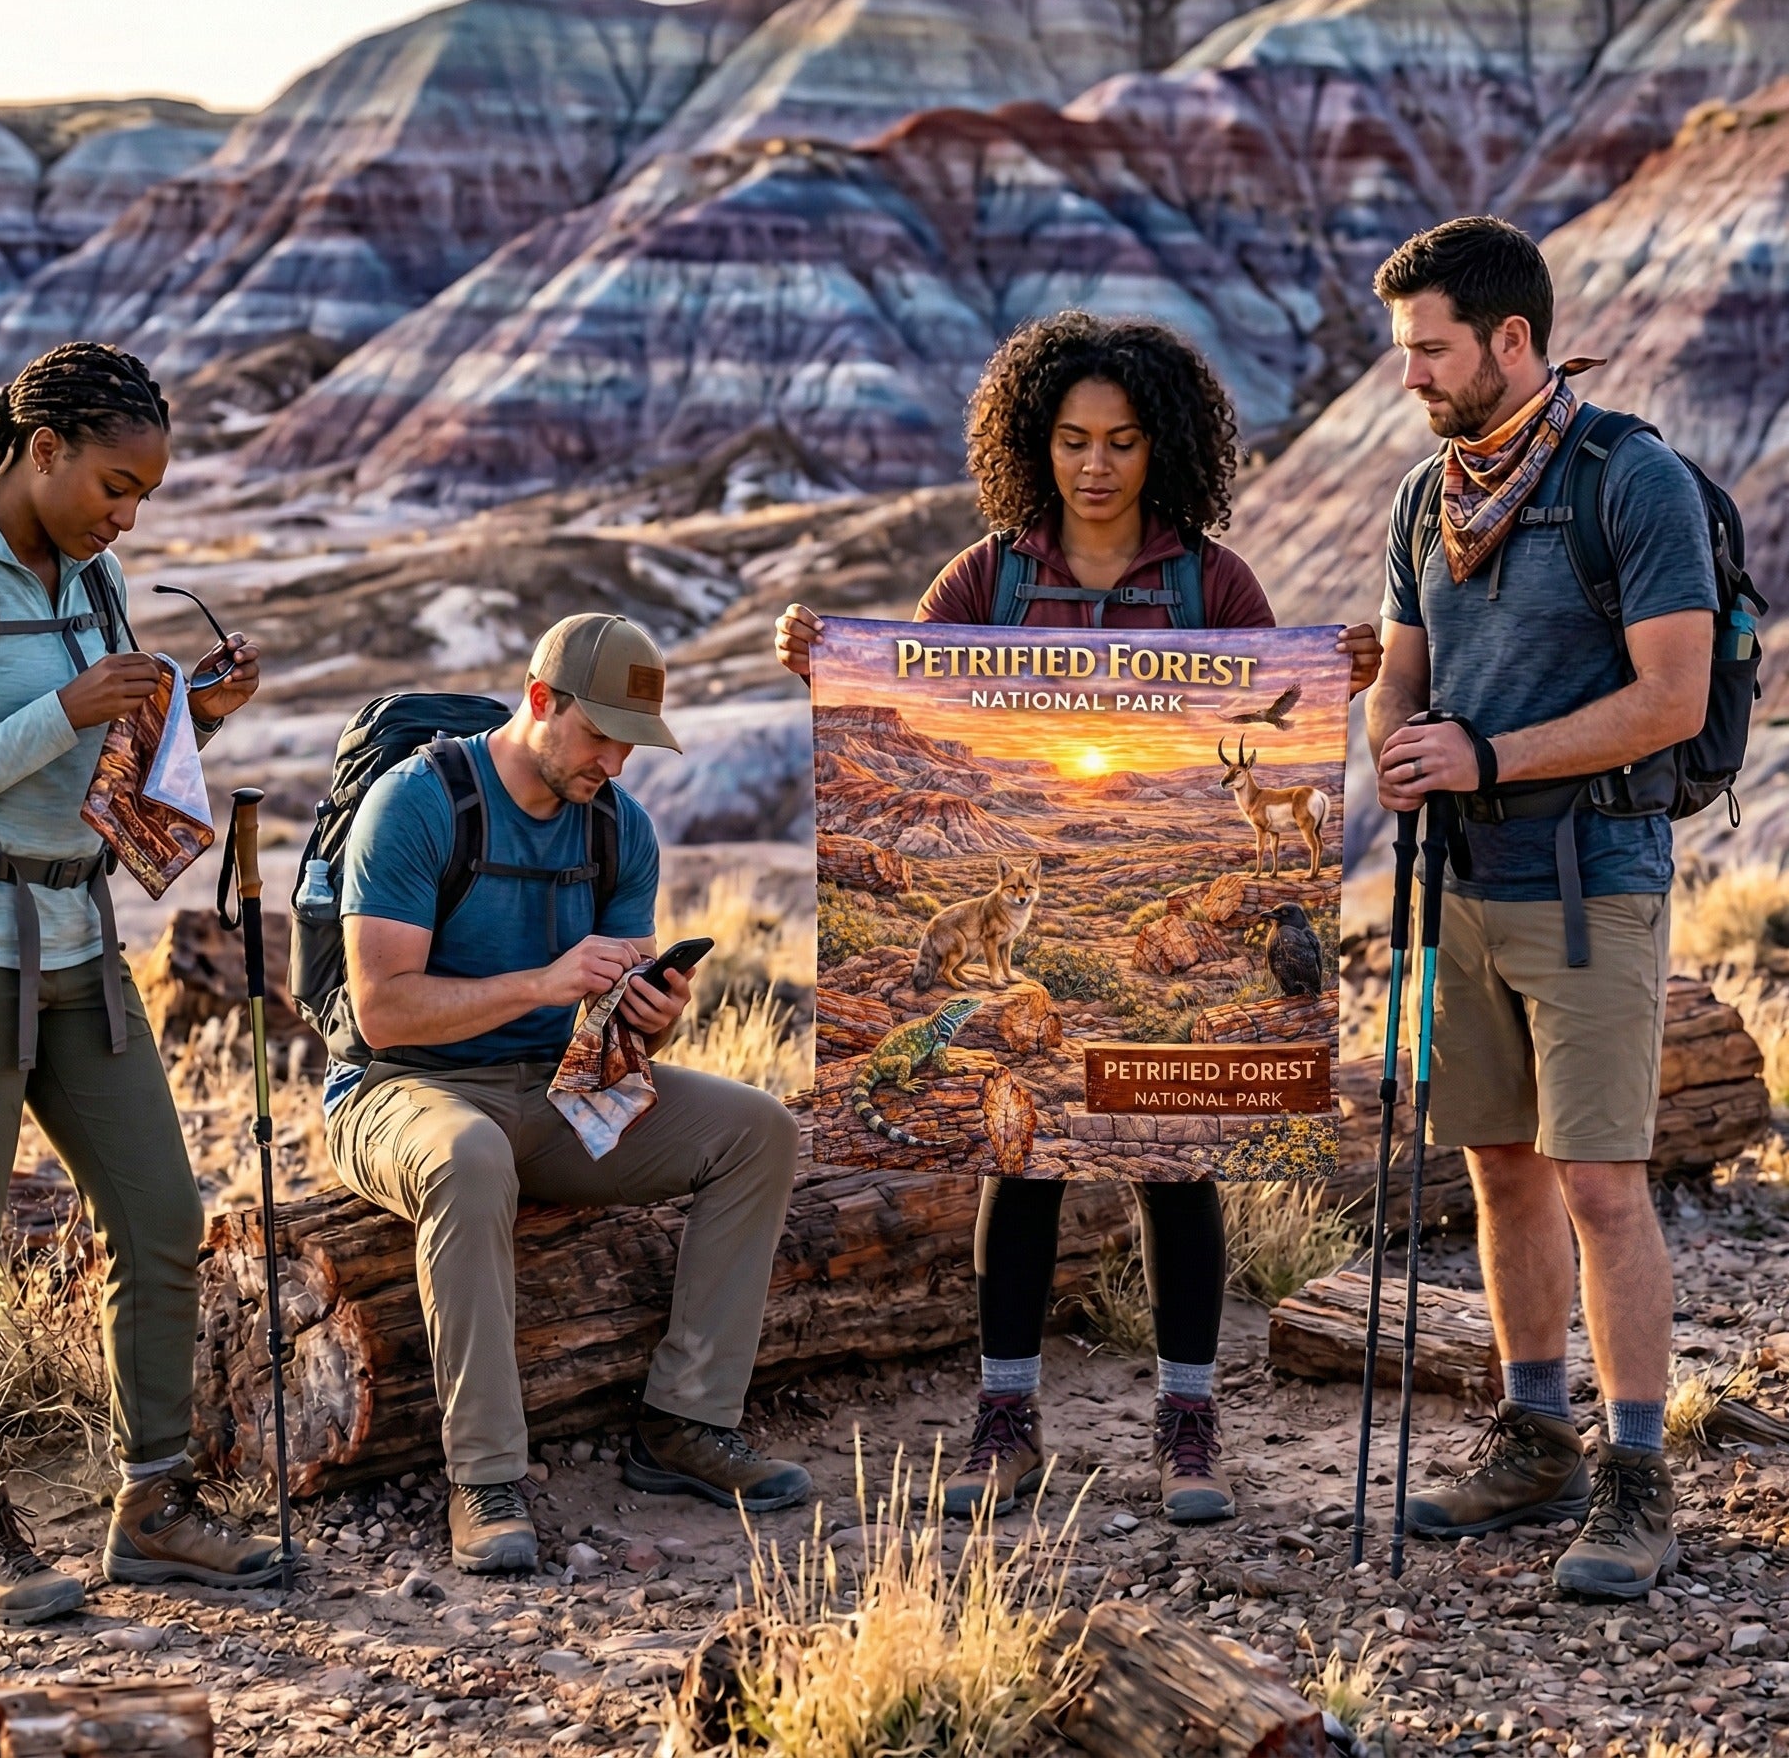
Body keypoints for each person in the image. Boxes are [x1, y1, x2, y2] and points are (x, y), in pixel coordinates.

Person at [777, 311, 1381, 1521]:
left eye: (1118, 440)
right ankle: (1005, 1417)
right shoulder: (985, 576)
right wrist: (821, 661)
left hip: (1176, 941)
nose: (1094, 465)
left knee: (1174, 1158)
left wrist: (1330, 679)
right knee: (1022, 1155)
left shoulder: (1208, 580)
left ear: (1159, 447)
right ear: (1031, 444)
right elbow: (898, 689)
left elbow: (1270, 714)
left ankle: (1187, 1417)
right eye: (1069, 440)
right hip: (1021, 931)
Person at [0, 343, 280, 1623]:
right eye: (114, 481)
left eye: (145, 493)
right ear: (42, 451)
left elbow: (107, 757)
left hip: (78, 940)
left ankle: (151, 1503)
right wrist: (71, 705)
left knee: (160, 1212)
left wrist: (194, 711)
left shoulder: (94, 582)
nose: (128, 515)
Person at [1367, 216, 1715, 1598]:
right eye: (1405, 354)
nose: (1413, 378)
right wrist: (1396, 744)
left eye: (1432, 350)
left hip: (1593, 878)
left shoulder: (1634, 480)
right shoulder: (1426, 493)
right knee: (1500, 1167)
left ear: (1511, 340)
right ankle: (1535, 1436)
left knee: (1602, 1181)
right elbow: (1403, 670)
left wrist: (1490, 756)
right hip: (1461, 880)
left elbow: (1670, 700)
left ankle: (1638, 1477)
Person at [327, 613, 809, 1575]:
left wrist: (650, 1018)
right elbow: (382, 1012)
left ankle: (686, 1426)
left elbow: (607, 1024)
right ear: (540, 702)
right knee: (469, 1157)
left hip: (556, 1089)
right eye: (600, 737)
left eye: (633, 743)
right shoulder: (418, 804)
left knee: (758, 1132)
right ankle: (487, 1479)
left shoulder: (618, 827)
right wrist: (546, 983)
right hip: (400, 1092)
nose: (617, 764)